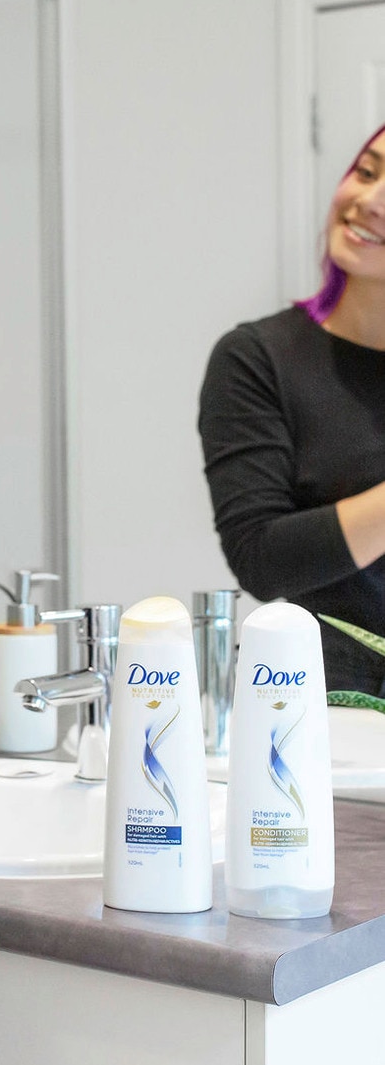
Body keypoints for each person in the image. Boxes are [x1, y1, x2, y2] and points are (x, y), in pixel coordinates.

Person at [199, 122, 385, 692]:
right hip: (327, 715)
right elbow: (261, 559)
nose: (370, 202)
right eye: (368, 171)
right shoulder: (259, 359)